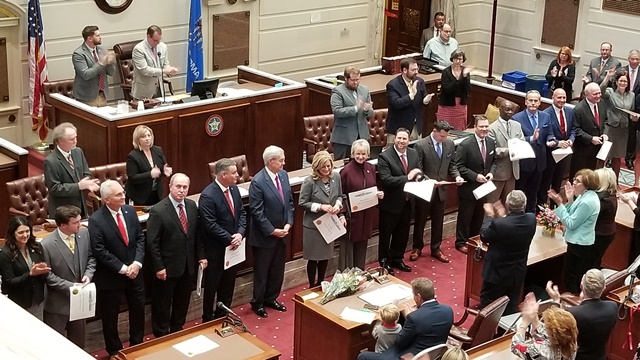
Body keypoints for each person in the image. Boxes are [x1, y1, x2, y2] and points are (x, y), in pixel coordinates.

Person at [89, 180, 145, 356]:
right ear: (106, 199)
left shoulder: (129, 212)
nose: (123, 196)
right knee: (110, 316)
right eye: (118, 194)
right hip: (111, 276)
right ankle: (114, 350)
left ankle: (137, 344)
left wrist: (136, 263)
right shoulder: (96, 220)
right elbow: (99, 250)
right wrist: (122, 268)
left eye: (123, 192)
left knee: (138, 310)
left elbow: (140, 239)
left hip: (135, 272)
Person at [147, 173, 206, 336]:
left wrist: (201, 256)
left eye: (185, 187)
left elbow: (197, 235)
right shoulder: (158, 210)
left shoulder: (192, 206)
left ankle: (177, 330)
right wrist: (159, 267)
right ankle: (161, 334)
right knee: (162, 304)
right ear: (170, 187)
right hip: (166, 268)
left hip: (187, 265)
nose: (181, 190)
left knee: (182, 301)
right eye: (178, 186)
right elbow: (152, 243)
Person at [357, 277, 454, 360]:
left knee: (363, 356)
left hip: (410, 355)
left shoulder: (414, 317)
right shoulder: (448, 310)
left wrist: (409, 316)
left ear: (419, 297)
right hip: (433, 353)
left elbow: (400, 343)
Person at [248, 146, 294, 318]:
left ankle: (271, 298)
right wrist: (272, 230)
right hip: (265, 236)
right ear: (270, 161)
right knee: (262, 271)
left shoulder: (283, 175)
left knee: (277, 270)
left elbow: (289, 202)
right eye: (281, 160)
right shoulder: (258, 182)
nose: (284, 162)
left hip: (282, 232)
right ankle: (258, 302)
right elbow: (256, 212)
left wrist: (289, 223)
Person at [41, 205, 96, 348]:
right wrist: (70, 286)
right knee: (55, 347)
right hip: (58, 305)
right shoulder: (46, 245)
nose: (80, 224)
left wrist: (88, 275)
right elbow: (47, 275)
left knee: (78, 345)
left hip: (80, 303)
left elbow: (91, 258)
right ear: (63, 225)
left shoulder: (84, 234)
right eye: (76, 222)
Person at [199, 160, 246, 322]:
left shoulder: (233, 189)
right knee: (212, 287)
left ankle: (223, 315)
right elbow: (210, 224)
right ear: (223, 174)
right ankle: (208, 319)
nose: (237, 175)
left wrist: (239, 234)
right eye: (234, 173)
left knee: (228, 284)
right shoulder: (208, 195)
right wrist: (230, 238)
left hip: (234, 248)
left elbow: (241, 214)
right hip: (216, 250)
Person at [413, 120, 464, 262]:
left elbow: (452, 165)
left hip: (441, 191)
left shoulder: (449, 144)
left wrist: (457, 176)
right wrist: (428, 180)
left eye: (446, 136)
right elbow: (418, 168)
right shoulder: (421, 145)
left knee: (438, 221)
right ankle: (417, 247)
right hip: (425, 190)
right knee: (420, 220)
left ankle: (436, 248)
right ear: (434, 130)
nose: (443, 139)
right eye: (441, 136)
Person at [479, 190, 536, 315]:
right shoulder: (531, 220)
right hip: (517, 273)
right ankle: (504, 333)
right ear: (524, 205)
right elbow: (510, 226)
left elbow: (484, 235)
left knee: (488, 305)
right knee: (511, 305)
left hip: (496, 273)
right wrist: (502, 217)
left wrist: (489, 216)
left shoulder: (498, 224)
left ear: (507, 204)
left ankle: (487, 334)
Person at [548, 169, 600, 294]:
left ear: (587, 184)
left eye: (578, 181)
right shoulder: (585, 195)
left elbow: (570, 223)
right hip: (577, 242)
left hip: (579, 244)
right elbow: (572, 214)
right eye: (575, 179)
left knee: (570, 278)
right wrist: (570, 200)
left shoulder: (587, 202)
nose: (574, 182)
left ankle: (570, 302)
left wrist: (560, 204)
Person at [546, 269, 618, 360]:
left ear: (581, 286)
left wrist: (555, 301)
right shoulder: (612, 307)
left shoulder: (572, 313)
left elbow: (553, 327)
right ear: (604, 287)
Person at [377, 128, 421, 275]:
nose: (401, 141)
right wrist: (408, 177)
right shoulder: (385, 157)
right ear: (394, 139)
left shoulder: (413, 153)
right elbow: (387, 180)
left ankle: (397, 258)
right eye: (399, 138)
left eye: (404, 139)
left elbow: (418, 171)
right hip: (390, 204)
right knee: (386, 235)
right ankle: (385, 262)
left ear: (409, 140)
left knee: (402, 233)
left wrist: (422, 179)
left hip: (408, 201)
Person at [299, 151, 345, 287]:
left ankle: (321, 283)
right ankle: (312, 285)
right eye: (323, 167)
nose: (326, 169)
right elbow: (302, 203)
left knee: (325, 257)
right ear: (317, 167)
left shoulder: (336, 177)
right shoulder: (309, 181)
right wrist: (320, 207)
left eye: (329, 166)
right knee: (313, 258)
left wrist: (338, 205)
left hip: (329, 224)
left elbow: (340, 195)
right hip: (313, 226)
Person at [339, 140, 383, 270]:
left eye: (364, 154)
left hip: (367, 216)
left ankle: (359, 272)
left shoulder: (371, 167)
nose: (361, 157)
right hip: (351, 218)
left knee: (362, 245)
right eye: (358, 153)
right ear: (353, 153)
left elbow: (374, 187)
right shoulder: (346, 171)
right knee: (349, 249)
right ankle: (348, 276)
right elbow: (340, 194)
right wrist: (342, 214)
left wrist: (378, 194)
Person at [454, 116, 496, 253]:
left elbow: (494, 161)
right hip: (469, 188)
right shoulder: (465, 144)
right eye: (481, 126)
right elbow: (459, 165)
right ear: (475, 128)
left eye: (486, 126)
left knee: (479, 216)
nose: (484, 129)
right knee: (465, 217)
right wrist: (475, 176)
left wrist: (491, 173)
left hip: (484, 188)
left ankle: (474, 240)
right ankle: (461, 242)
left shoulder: (491, 142)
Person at [44, 122, 100, 218]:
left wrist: (87, 182)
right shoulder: (51, 161)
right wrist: (79, 186)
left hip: (81, 206)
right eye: (71, 139)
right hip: (63, 211)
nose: (75, 141)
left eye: (76, 138)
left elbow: (86, 172)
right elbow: (55, 188)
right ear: (60, 141)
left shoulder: (78, 152)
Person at [0, 216, 50, 320]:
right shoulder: (5, 253)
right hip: (19, 302)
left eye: (27, 231)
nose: (25, 235)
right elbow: (9, 281)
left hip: (37, 300)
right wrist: (30, 274)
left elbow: (43, 275)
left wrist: (43, 270)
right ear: (13, 233)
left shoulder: (36, 247)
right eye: (21, 232)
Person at [512, 90, 553, 213]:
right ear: (526, 102)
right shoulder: (516, 118)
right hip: (524, 163)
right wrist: (531, 138)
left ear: (540, 102)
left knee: (533, 193)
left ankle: (531, 216)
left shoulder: (545, 116)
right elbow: (515, 140)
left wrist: (550, 140)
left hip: (539, 162)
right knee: (520, 192)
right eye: (531, 100)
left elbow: (550, 133)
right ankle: (519, 215)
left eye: (536, 101)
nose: (533, 103)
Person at [511, 293, 578, 360]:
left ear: (552, 334)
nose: (544, 326)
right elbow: (545, 336)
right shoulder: (571, 343)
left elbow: (516, 346)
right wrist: (534, 316)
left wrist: (524, 322)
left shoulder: (541, 351)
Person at [539, 89, 575, 207]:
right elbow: (543, 136)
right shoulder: (545, 114)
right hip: (550, 155)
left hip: (564, 155)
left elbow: (574, 129)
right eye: (559, 97)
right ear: (553, 98)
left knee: (558, 183)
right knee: (545, 184)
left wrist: (571, 139)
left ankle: (554, 209)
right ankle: (543, 210)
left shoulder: (570, 111)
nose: (562, 100)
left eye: (564, 98)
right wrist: (558, 143)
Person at [385, 58, 433, 145]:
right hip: (398, 129)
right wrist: (411, 96)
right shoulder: (393, 85)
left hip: (415, 127)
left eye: (417, 69)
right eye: (413, 70)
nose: (416, 72)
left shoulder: (419, 81)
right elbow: (396, 103)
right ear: (404, 70)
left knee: (415, 154)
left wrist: (426, 101)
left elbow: (424, 98)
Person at [329, 65, 374, 159]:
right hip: (344, 138)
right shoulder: (338, 91)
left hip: (362, 136)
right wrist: (355, 108)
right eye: (353, 80)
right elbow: (337, 111)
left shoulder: (364, 90)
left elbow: (370, 112)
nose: (356, 82)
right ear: (346, 78)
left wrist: (367, 110)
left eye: (358, 79)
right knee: (342, 165)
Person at [601, 67, 637, 179]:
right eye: (620, 80)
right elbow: (601, 90)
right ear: (616, 82)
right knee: (604, 156)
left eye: (625, 81)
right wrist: (608, 77)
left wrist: (634, 118)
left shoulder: (632, 95)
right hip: (610, 128)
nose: (623, 83)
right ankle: (598, 181)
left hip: (623, 130)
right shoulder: (610, 92)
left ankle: (614, 183)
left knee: (617, 158)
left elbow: (631, 112)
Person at [487, 100, 525, 204]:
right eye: (507, 110)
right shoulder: (492, 128)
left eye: (512, 110)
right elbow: (493, 151)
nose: (510, 112)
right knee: (492, 204)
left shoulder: (517, 125)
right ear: (500, 110)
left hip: (513, 171)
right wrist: (511, 149)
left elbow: (522, 142)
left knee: (509, 204)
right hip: (498, 173)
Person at [125, 125, 172, 205]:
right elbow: (132, 178)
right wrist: (150, 174)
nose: (147, 138)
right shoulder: (133, 156)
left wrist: (165, 172)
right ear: (137, 139)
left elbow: (163, 168)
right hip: (140, 195)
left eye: (149, 135)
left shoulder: (158, 150)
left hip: (156, 192)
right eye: (143, 136)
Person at [570, 82, 607, 180]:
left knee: (591, 177)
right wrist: (591, 138)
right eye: (595, 94)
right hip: (582, 151)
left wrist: (604, 133)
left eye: (599, 93)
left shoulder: (602, 103)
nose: (598, 96)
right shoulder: (579, 109)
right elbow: (576, 130)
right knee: (579, 177)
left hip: (597, 149)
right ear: (586, 94)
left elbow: (605, 121)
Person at [131, 25, 179, 100]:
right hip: (143, 91)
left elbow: (165, 64)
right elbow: (144, 70)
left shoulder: (163, 47)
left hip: (159, 88)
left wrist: (170, 70)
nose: (158, 43)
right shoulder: (139, 49)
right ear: (148, 37)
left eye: (159, 40)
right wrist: (164, 71)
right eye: (155, 40)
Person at [71, 25, 116, 107]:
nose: (100, 37)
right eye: (98, 35)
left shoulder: (102, 49)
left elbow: (111, 72)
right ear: (90, 38)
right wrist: (101, 63)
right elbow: (86, 75)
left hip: (102, 94)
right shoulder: (79, 54)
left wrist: (109, 63)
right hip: (87, 97)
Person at [438, 48, 472, 130]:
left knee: (459, 128)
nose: (457, 61)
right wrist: (459, 79)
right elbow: (447, 89)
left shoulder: (465, 72)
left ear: (463, 60)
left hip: (460, 105)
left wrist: (464, 77)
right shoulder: (446, 72)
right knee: (444, 128)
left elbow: (468, 89)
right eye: (455, 59)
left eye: (460, 59)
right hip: (447, 105)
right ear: (452, 59)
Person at [593, 168, 617, 269]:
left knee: (591, 262)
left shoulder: (603, 201)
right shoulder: (610, 195)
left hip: (600, 235)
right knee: (595, 260)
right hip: (607, 232)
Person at [622, 50, 640, 170]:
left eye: (637, 59)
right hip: (621, 106)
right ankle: (614, 157)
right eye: (632, 59)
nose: (634, 61)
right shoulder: (621, 70)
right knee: (619, 133)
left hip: (636, 108)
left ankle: (629, 158)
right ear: (628, 59)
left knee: (632, 135)